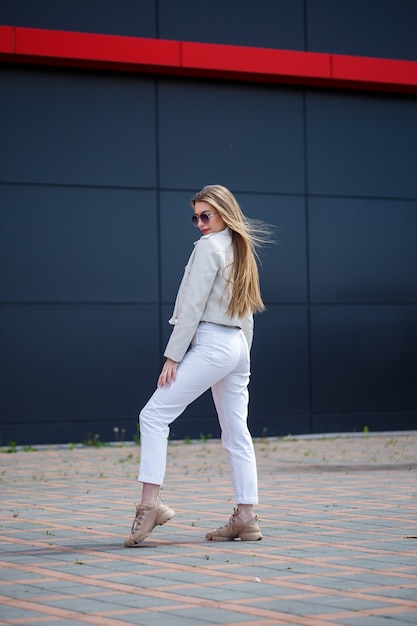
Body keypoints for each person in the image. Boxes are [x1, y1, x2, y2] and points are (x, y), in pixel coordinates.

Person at [125, 184, 271, 547]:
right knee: (237, 433)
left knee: (154, 415)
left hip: (213, 343)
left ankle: (150, 505)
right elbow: (247, 310)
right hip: (236, 344)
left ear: (224, 212)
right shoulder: (240, 248)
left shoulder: (209, 248)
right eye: (196, 217)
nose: (200, 224)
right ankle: (246, 518)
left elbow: (191, 306)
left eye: (207, 215)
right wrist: (243, 358)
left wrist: (173, 357)